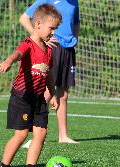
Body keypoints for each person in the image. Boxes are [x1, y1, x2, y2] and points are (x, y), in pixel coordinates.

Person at [0, 4, 62, 167]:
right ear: (38, 24)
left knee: (41, 133)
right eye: (52, 28)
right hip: (22, 96)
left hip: (39, 98)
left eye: (55, 29)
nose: (53, 33)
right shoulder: (28, 44)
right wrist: (8, 61)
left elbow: (47, 74)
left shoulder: (49, 50)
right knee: (22, 134)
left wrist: (53, 94)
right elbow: (17, 54)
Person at [20, 0, 80, 144]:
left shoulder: (74, 2)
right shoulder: (45, 1)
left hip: (68, 50)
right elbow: (23, 18)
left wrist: (75, 38)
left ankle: (63, 136)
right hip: (52, 48)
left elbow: (76, 22)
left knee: (63, 94)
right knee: (46, 93)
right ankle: (34, 136)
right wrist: (39, 38)